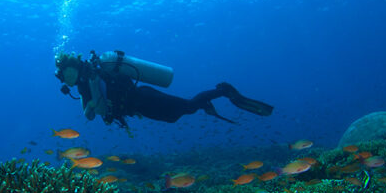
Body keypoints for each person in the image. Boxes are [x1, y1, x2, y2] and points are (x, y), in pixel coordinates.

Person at [55, 50, 273, 128]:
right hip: (138, 108)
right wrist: (91, 104)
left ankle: (223, 90)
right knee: (174, 117)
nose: (68, 80)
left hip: (143, 97)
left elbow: (97, 108)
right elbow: (90, 115)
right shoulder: (83, 87)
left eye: (68, 74)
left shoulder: (93, 73)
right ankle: (205, 101)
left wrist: (93, 103)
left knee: (187, 107)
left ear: (73, 67)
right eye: (65, 78)